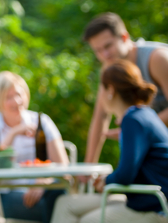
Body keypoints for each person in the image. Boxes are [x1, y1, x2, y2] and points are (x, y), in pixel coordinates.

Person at [50, 60, 168, 223]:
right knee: (65, 204)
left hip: (156, 208)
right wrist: (109, 178)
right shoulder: (143, 114)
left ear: (110, 90)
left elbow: (125, 175)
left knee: (86, 220)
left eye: (101, 88)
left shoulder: (133, 120)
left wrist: (106, 180)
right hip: (144, 200)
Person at [0, 71, 69, 223]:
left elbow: (63, 167)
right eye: (9, 97)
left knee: (57, 196)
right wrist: (13, 134)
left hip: (45, 191)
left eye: (19, 94)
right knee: (57, 208)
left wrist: (43, 183)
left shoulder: (42, 121)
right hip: (8, 194)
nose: (17, 101)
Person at [82, 12, 168, 164]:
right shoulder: (110, 68)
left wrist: (135, 129)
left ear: (124, 37)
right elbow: (101, 116)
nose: (105, 54)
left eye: (108, 46)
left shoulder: (157, 58)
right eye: (98, 50)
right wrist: (89, 168)